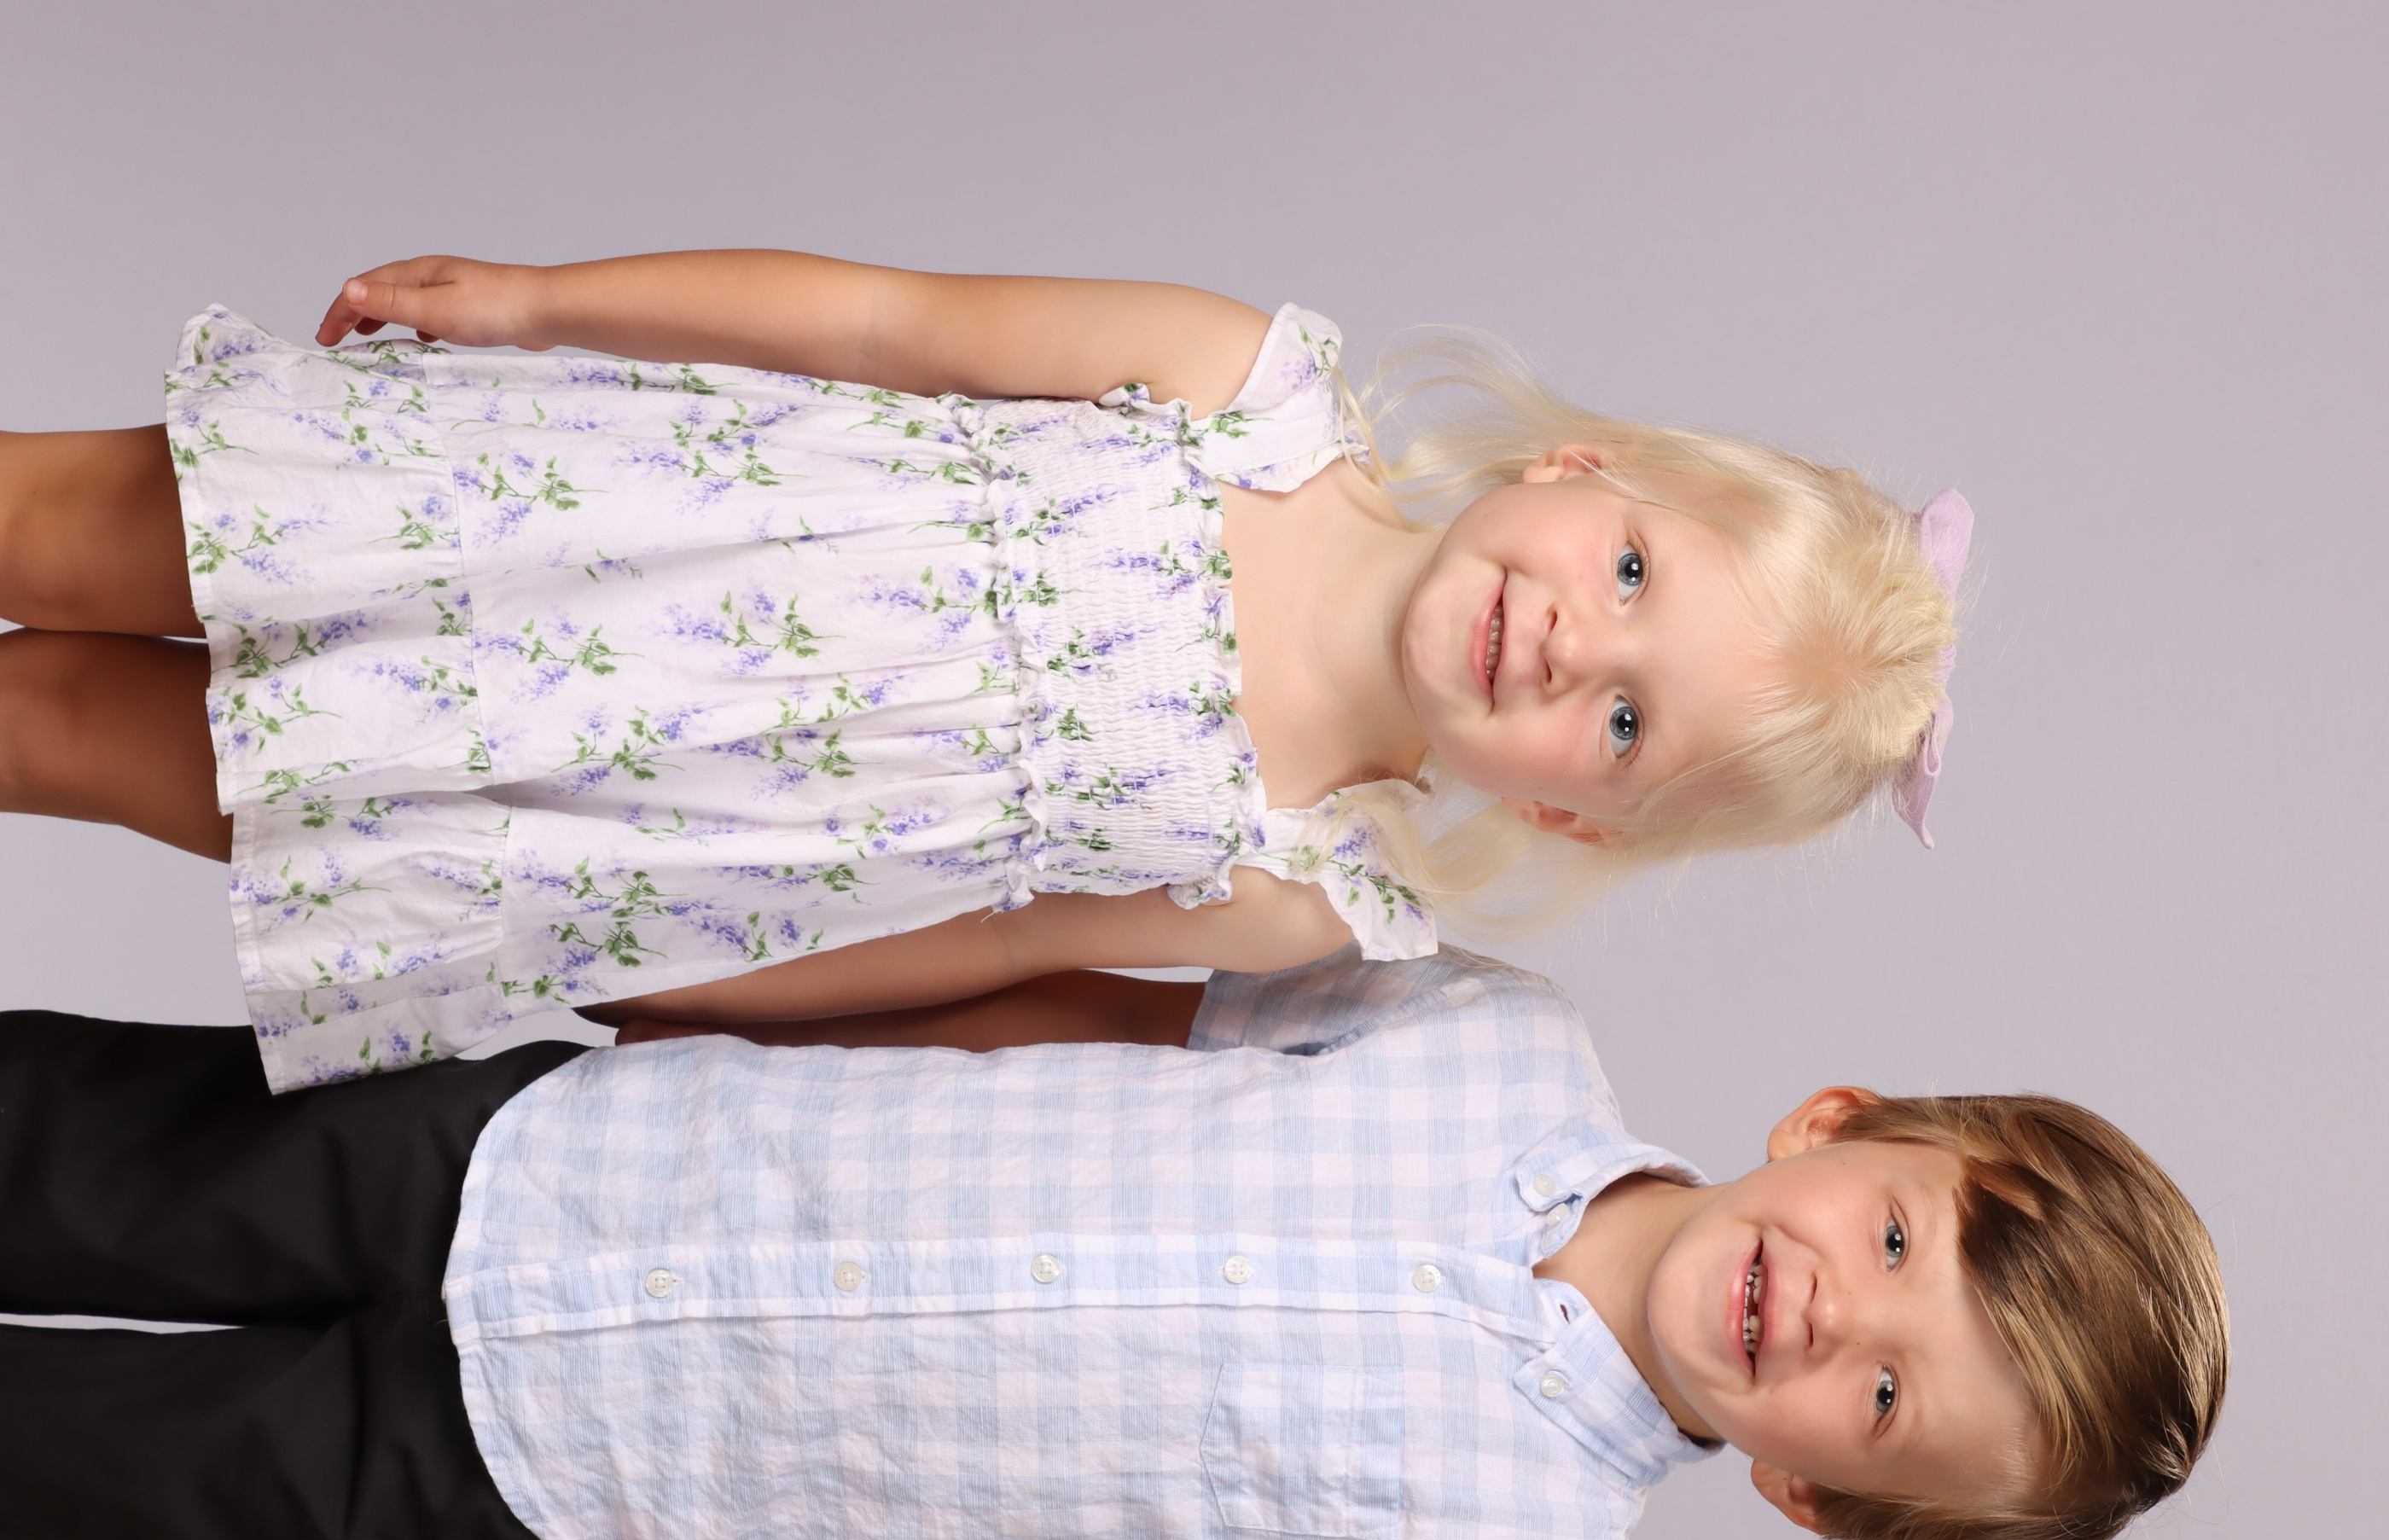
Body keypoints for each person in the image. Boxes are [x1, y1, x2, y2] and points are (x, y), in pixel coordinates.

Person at [0, 950, 2226, 1540]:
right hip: (574, 1152)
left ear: (1814, 1499)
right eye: (1898, 1247)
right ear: (1841, 1122)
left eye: (1885, 1405)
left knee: (65, 1460)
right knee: (62, 1142)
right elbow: (1085, 1005)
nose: (1833, 1323)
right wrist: (767, 1007)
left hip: (558, 1480)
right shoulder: (1490, 1033)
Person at [0, 250, 1965, 1091]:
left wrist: (702, 998)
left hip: (588, 814)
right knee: (54, 530)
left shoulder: (1300, 881)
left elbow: (967, 948)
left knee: (67, 729)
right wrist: (541, 301)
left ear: (1576, 814)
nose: (1567, 640)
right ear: (1581, 470)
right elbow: (883, 322)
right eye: (1625, 575)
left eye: (1622, 717)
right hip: (543, 508)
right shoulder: (1244, 394)